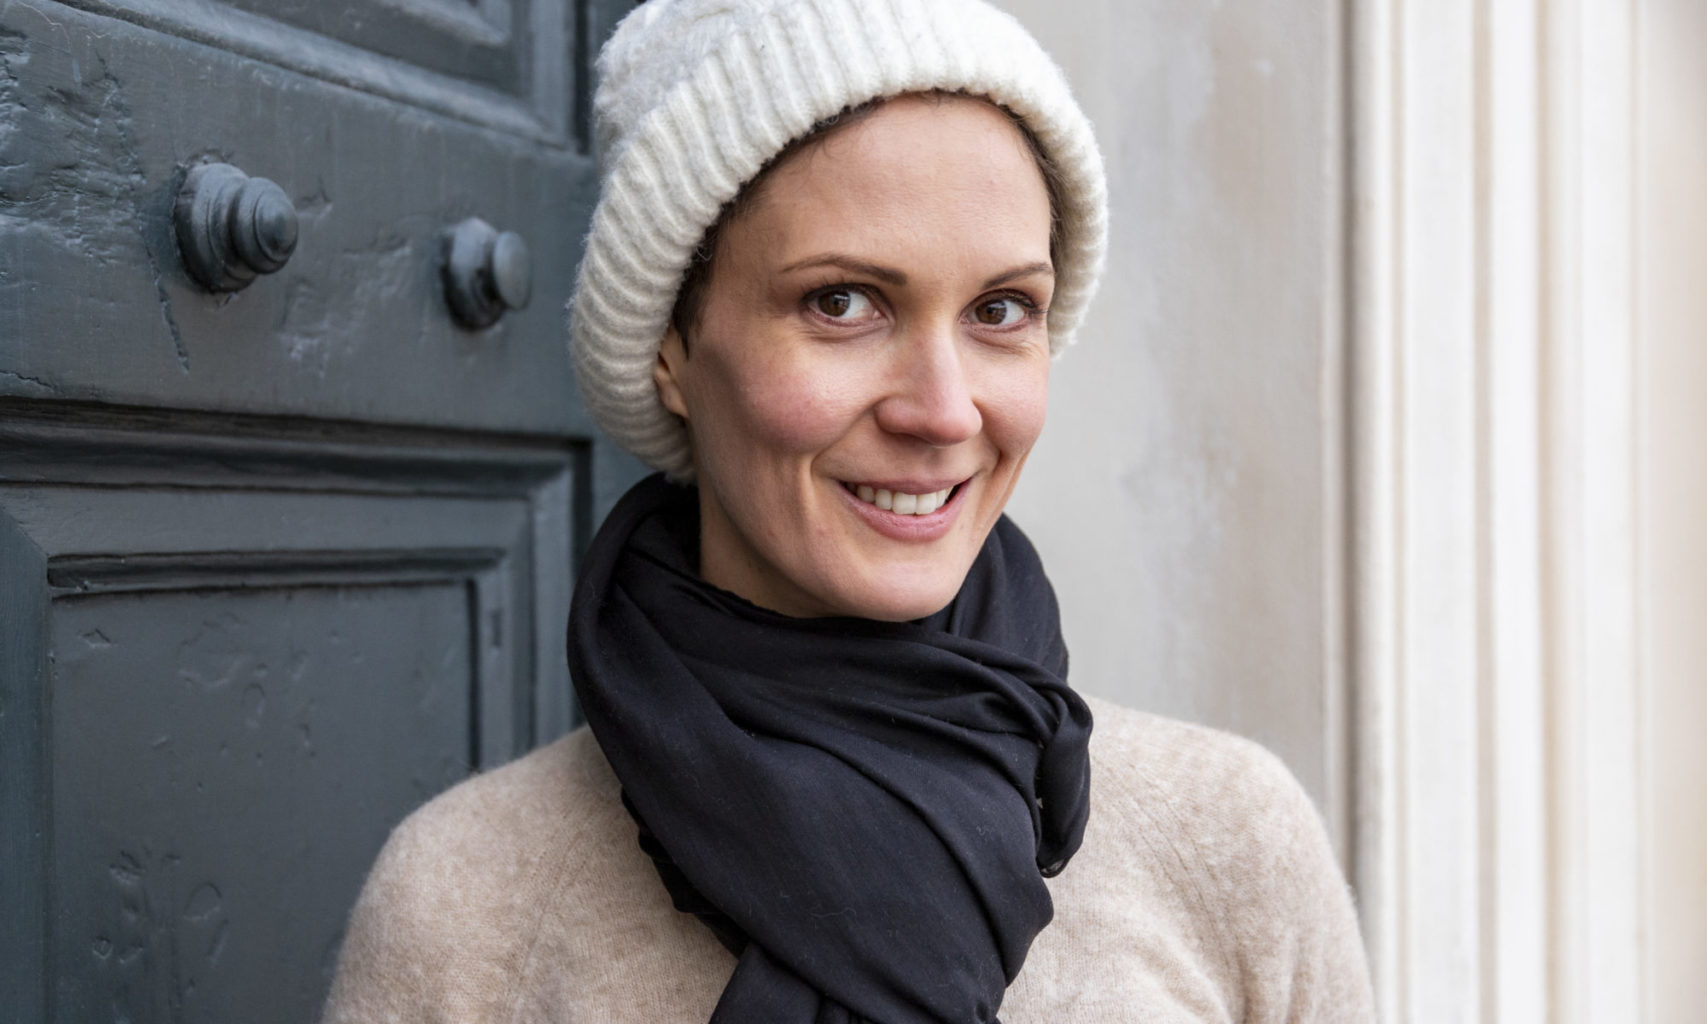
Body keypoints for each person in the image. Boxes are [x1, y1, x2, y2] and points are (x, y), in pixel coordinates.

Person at [321, 0, 1376, 1020]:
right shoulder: (471, 905)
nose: (944, 410)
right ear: (670, 348)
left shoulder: (1227, 841)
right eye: (841, 302)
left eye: (1000, 309)